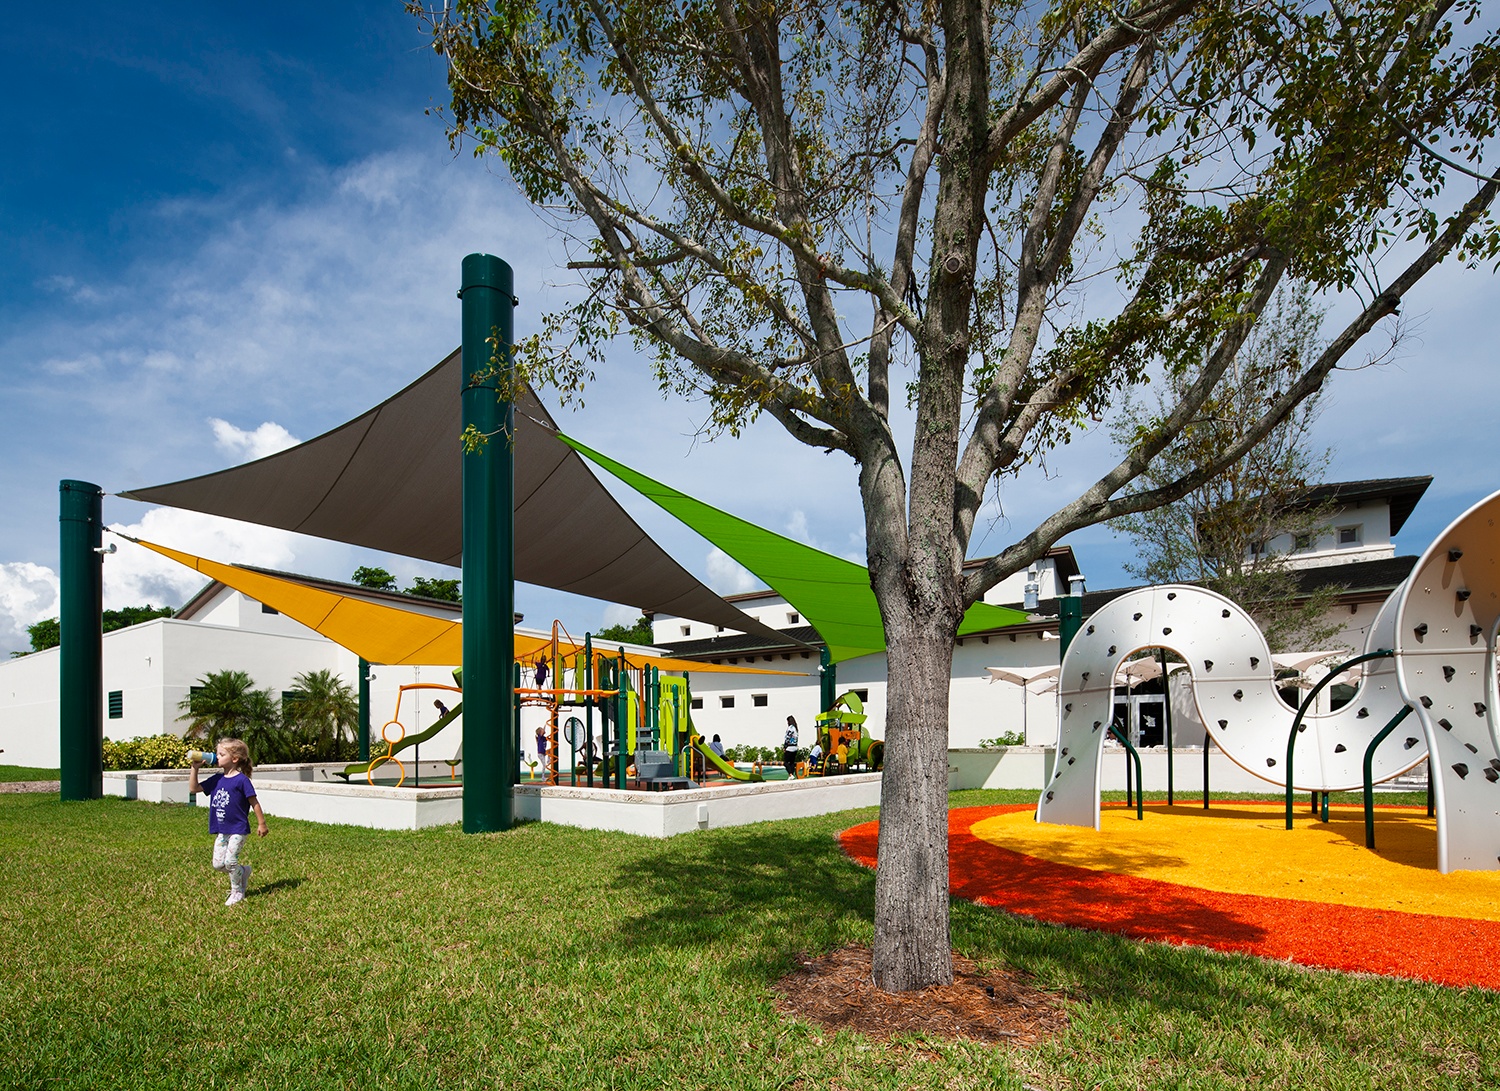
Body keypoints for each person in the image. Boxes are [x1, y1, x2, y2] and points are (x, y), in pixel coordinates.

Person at [188, 738, 267, 907]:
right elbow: (194, 789)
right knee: (218, 864)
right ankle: (242, 871)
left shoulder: (242, 780)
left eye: (221, 754)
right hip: (222, 829)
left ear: (235, 759)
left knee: (230, 861)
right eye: (217, 753)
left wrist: (262, 824)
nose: (217, 757)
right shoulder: (216, 779)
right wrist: (194, 769)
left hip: (238, 829)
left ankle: (237, 891)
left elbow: (254, 802)